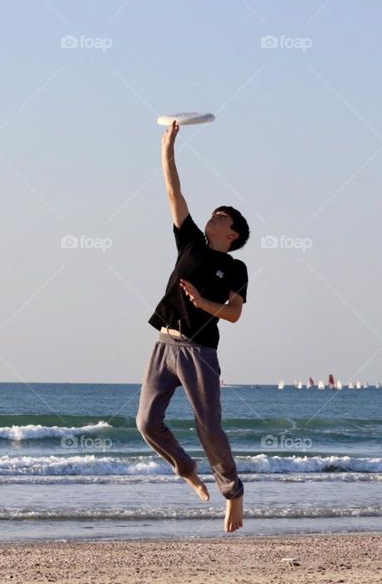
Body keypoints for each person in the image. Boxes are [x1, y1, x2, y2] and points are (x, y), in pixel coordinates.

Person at [136, 120, 250, 533]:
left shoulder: (235, 267)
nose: (212, 216)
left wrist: (203, 303)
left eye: (221, 216)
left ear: (232, 233)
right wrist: (168, 146)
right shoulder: (190, 243)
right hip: (164, 344)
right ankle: (185, 468)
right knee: (146, 424)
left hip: (200, 351)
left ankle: (233, 492)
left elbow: (235, 314)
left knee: (209, 427)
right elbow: (173, 191)